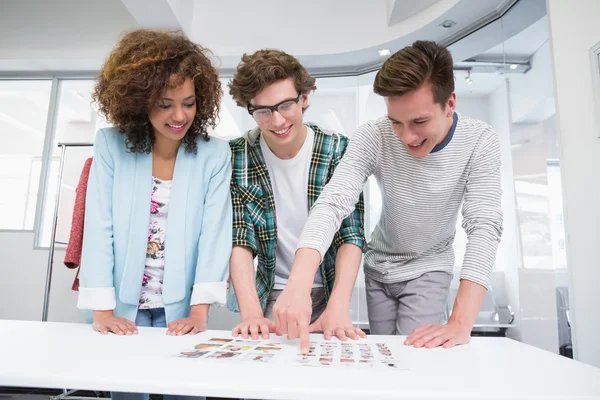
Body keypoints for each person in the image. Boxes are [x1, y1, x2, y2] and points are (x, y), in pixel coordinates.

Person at [273, 40, 503, 353]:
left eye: (419, 122)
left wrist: (461, 322)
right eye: (396, 121)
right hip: (378, 267)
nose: (407, 136)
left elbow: (484, 226)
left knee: (415, 360)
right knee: (387, 359)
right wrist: (298, 283)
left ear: (450, 103)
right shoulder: (374, 134)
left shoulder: (480, 141)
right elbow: (333, 202)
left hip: (429, 265)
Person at [78, 27, 231, 355]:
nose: (179, 116)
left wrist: (198, 311)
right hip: (119, 307)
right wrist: (103, 311)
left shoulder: (215, 155)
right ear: (139, 102)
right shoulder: (111, 145)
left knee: (184, 388)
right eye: (165, 105)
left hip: (184, 309)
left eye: (188, 103)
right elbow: (99, 228)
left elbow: (214, 235)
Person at [226, 49, 366, 341]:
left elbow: (350, 235)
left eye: (286, 105)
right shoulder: (238, 155)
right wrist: (252, 314)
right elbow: (240, 240)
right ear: (249, 109)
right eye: (263, 110)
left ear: (304, 98)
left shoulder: (338, 150)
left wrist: (339, 307)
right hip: (271, 296)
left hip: (329, 291)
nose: (277, 121)